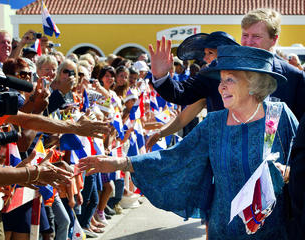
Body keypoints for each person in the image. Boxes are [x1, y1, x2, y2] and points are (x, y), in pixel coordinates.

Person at [77, 46, 298, 239]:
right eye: (221, 81)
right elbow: (175, 157)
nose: (221, 87)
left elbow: (302, 162)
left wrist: (289, 172)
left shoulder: (279, 117)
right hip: (223, 230)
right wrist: (120, 163)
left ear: (254, 84)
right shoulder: (214, 124)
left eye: (230, 80)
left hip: (273, 230)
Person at [151, 8, 305, 120]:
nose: (248, 42)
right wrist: (161, 76)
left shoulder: (295, 78)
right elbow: (183, 93)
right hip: (223, 160)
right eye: (245, 35)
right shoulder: (220, 67)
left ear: (274, 39)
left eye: (256, 36)